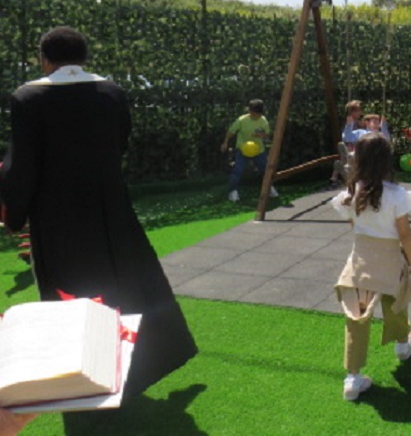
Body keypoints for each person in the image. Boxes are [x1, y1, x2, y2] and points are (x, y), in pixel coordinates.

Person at [0, 27, 198, 402]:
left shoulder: (27, 97)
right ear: (84, 56)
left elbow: (23, 164)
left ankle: (77, 379)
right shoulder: (111, 93)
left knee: (69, 296)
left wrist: (14, 213)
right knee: (128, 285)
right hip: (110, 210)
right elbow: (120, 143)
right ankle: (139, 366)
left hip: (57, 217)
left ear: (44, 59)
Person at [330, 133, 411, 401]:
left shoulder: (350, 195)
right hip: (390, 260)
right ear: (387, 161)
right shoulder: (397, 195)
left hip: (360, 261)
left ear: (358, 160)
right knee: (396, 303)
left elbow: (355, 228)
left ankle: (353, 377)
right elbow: (405, 235)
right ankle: (402, 345)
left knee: (357, 317)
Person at [220, 98, 278, 202]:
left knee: (265, 171)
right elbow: (231, 132)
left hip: (258, 150)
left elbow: (267, 134)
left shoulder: (263, 120)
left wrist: (262, 135)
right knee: (237, 171)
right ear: (250, 111)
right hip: (242, 149)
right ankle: (233, 192)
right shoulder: (242, 120)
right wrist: (225, 142)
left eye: (258, 114)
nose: (256, 116)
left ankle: (269, 189)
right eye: (254, 113)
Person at [331, 100, 365, 186]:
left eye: (360, 110)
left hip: (357, 145)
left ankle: (335, 175)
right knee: (350, 157)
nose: (360, 112)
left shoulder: (359, 122)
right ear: (352, 112)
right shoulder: (350, 122)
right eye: (357, 111)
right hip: (352, 145)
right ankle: (341, 171)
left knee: (347, 159)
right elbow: (346, 135)